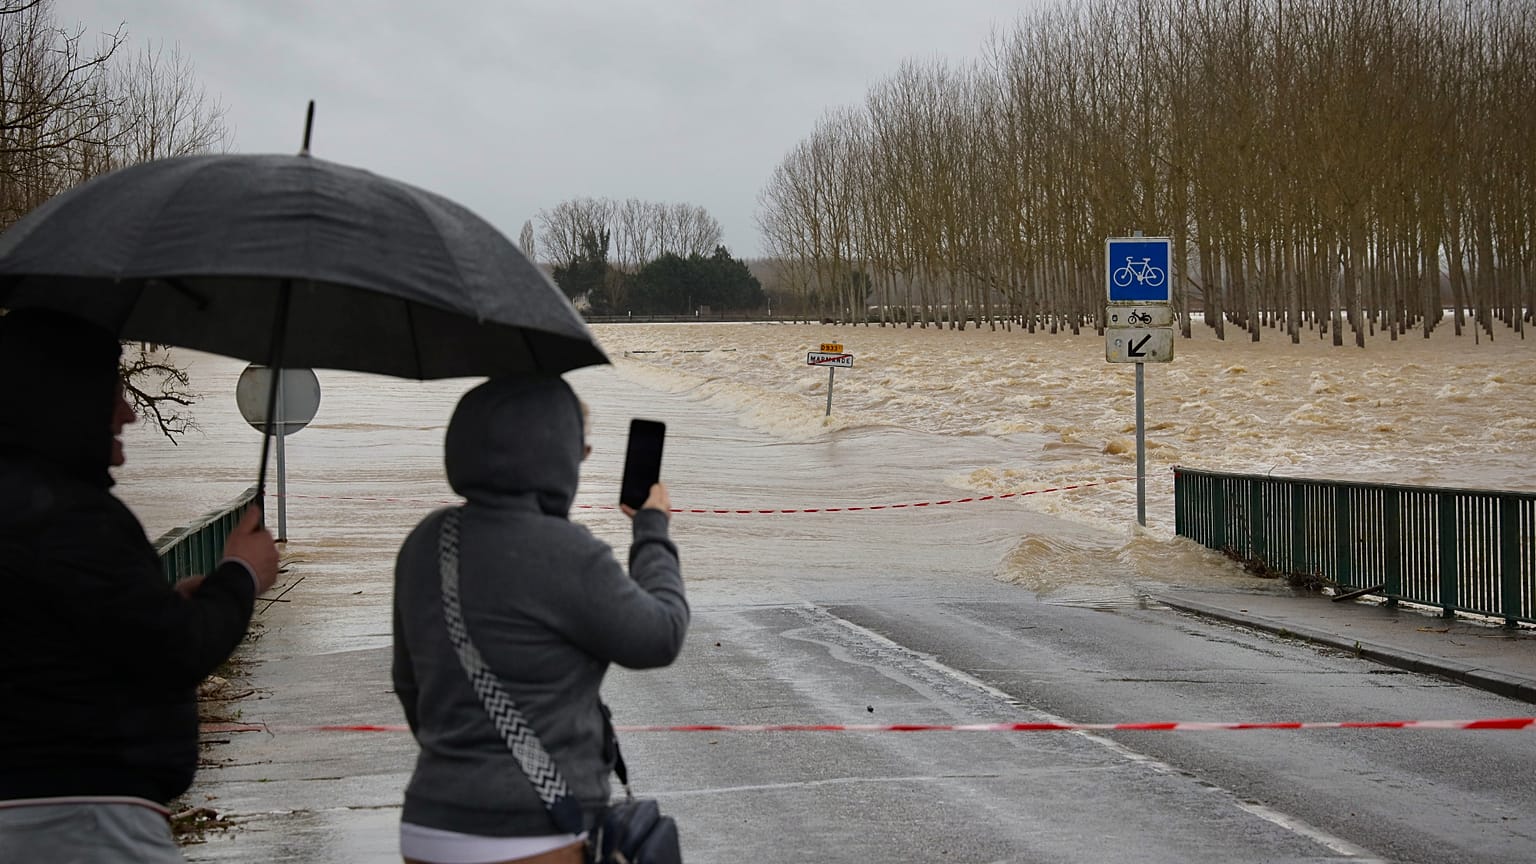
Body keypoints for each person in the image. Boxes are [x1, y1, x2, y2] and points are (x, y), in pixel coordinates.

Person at [0, 308, 279, 862]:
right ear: (68, 403)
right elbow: (176, 651)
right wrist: (242, 573)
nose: (128, 413)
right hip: (83, 823)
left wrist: (164, 604)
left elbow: (61, 638)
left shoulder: (26, 507)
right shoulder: (72, 519)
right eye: (112, 394)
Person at [393, 374, 688, 864]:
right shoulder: (568, 553)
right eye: (580, 449)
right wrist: (652, 529)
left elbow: (409, 685)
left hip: (428, 825)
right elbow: (662, 635)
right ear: (554, 456)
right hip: (534, 831)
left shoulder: (426, 541)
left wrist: (464, 774)